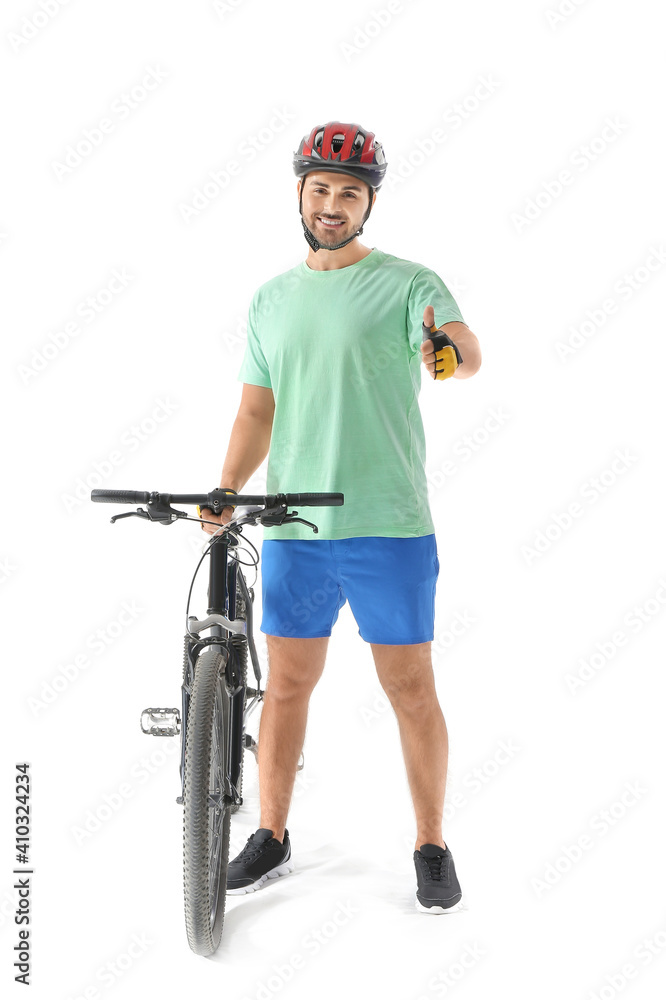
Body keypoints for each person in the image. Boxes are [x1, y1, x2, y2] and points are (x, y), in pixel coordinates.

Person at [199, 120, 482, 914]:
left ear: (369, 204)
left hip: (390, 525)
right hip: (294, 528)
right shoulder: (271, 299)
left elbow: (463, 345)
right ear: (300, 193)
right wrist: (225, 487)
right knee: (287, 687)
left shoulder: (407, 283)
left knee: (410, 687)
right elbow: (258, 410)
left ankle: (431, 842)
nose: (332, 204)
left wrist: (448, 354)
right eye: (320, 189)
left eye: (348, 193)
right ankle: (273, 835)